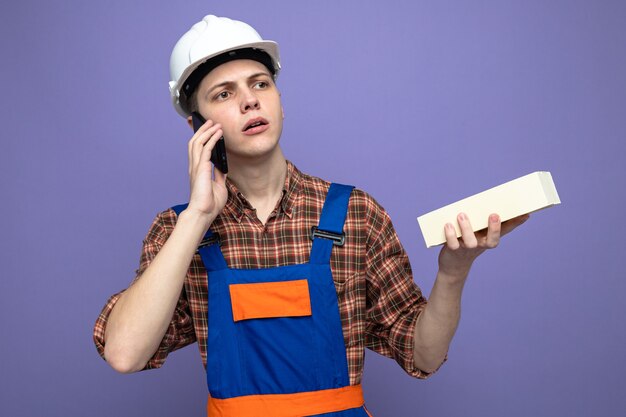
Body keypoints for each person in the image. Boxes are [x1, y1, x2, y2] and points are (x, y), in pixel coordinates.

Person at [93, 15, 528, 417]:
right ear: (197, 129)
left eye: (260, 84)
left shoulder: (355, 214)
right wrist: (197, 217)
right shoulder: (178, 230)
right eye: (224, 94)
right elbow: (124, 354)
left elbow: (424, 356)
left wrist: (452, 275)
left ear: (280, 101)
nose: (249, 101)